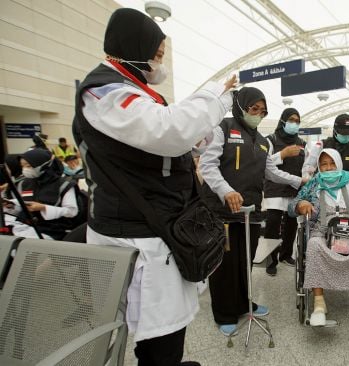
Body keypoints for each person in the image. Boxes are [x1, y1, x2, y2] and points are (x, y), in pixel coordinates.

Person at [72, 8, 237, 366]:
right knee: (157, 329)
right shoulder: (106, 91)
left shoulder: (132, 91)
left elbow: (162, 146)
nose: (160, 63)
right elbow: (168, 131)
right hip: (136, 232)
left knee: (160, 326)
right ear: (133, 47)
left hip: (153, 226)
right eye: (157, 54)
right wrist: (216, 97)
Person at [199, 87, 305, 336]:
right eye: (253, 108)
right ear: (241, 106)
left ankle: (243, 303)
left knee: (244, 261)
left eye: (262, 110)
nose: (258, 114)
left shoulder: (262, 141)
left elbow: (271, 172)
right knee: (224, 263)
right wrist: (226, 191)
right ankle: (224, 312)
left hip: (250, 212)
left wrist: (297, 180)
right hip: (222, 212)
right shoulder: (222, 128)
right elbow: (208, 165)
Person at [290, 148, 349, 326]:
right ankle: (319, 306)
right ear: (319, 166)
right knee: (314, 246)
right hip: (323, 234)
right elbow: (293, 204)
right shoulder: (313, 183)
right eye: (324, 164)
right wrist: (301, 203)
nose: (329, 167)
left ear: (339, 163)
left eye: (332, 163)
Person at [263, 108, 305, 276]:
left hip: (294, 189)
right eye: (291, 120)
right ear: (282, 120)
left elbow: (305, 164)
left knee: (291, 224)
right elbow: (264, 163)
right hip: (275, 190)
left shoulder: (301, 142)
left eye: (297, 121)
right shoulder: (270, 140)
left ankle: (286, 254)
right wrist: (282, 154)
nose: (294, 123)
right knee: (273, 224)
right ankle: (270, 260)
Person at [3, 149, 79, 240]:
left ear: (44, 166)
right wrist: (11, 206)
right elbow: (24, 205)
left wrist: (43, 207)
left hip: (53, 229)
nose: (25, 169)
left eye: (28, 166)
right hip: (26, 225)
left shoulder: (64, 184)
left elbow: (71, 212)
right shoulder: (25, 183)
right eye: (22, 166)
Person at [302, 113, 349, 181]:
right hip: (324, 186)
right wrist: (309, 181)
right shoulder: (322, 145)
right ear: (335, 131)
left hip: (347, 187)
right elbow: (308, 167)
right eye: (343, 133)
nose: (346, 136)